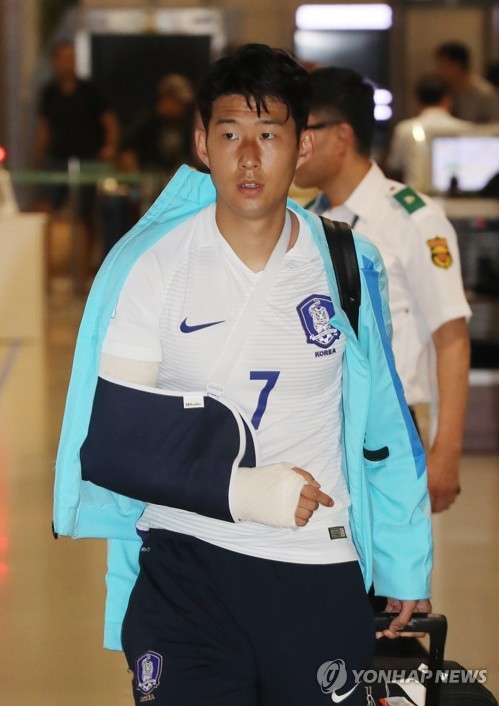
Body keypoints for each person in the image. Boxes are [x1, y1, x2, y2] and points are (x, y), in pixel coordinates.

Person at [53, 45, 432, 706]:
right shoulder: (150, 264)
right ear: (202, 143)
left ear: (301, 145)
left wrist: (404, 560)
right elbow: (114, 444)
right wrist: (243, 491)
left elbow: (383, 422)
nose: (249, 158)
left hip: (315, 567)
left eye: (269, 135)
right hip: (184, 568)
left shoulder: (348, 262)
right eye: (230, 135)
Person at [294, 66, 471, 515]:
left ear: (341, 136)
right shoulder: (304, 222)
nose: (294, 145)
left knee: (393, 557)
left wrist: (446, 451)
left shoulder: (413, 219)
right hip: (319, 426)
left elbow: (451, 338)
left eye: (304, 130)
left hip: (392, 428)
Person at [32, 41, 120, 288]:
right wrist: (37, 160)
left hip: (86, 158)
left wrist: (110, 147)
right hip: (56, 158)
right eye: (63, 58)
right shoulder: (49, 93)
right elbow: (44, 129)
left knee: (84, 216)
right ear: (54, 62)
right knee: (43, 212)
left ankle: (81, 277)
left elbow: (109, 122)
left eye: (71, 58)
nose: (67, 63)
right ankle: (43, 275)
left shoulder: (90, 91)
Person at [386, 72, 473, 192]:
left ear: (416, 101)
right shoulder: (467, 129)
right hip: (457, 197)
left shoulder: (404, 129)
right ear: (447, 99)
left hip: (415, 198)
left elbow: (395, 167)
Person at [119, 72, 196, 178]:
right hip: (149, 179)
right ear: (165, 97)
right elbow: (126, 151)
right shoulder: (146, 123)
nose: (182, 108)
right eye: (178, 102)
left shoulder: (184, 125)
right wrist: (137, 177)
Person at [434, 42, 499, 123]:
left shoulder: (485, 93)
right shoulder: (444, 91)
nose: (439, 70)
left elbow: (494, 124)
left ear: (458, 65)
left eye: (443, 65)